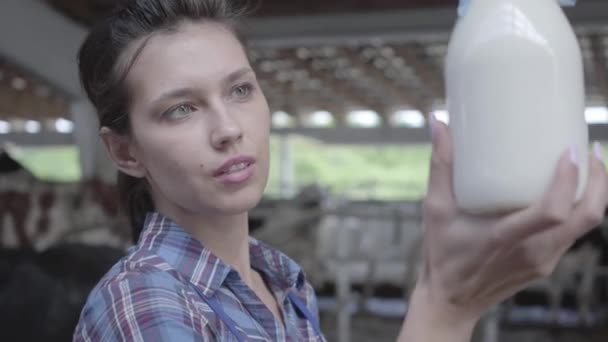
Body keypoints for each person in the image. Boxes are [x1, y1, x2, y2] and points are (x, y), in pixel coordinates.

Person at [72, 0, 608, 341]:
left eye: (240, 90)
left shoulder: (282, 280)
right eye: (181, 109)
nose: (228, 128)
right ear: (125, 152)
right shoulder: (147, 304)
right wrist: (445, 309)